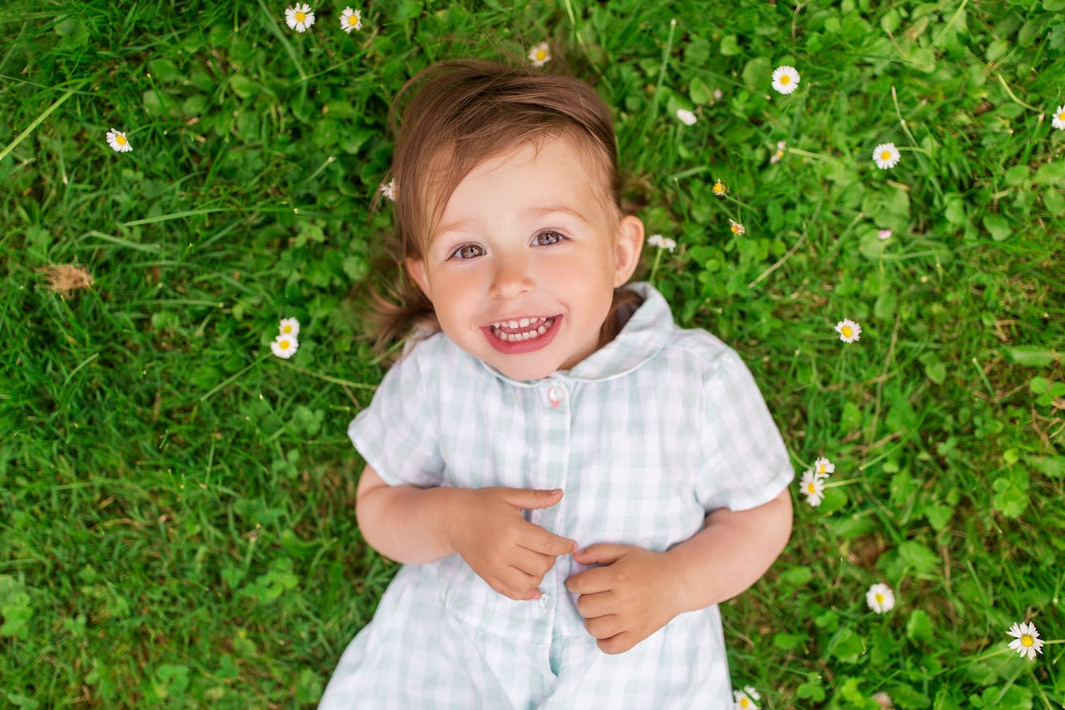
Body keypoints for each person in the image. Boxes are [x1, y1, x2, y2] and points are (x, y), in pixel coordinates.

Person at [320, 59, 794, 709]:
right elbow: (378, 504)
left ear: (620, 252)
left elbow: (761, 513)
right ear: (426, 280)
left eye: (548, 235)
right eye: (466, 250)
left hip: (636, 687)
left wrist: (675, 582)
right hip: (448, 674)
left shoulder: (695, 377)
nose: (510, 279)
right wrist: (454, 519)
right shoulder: (437, 372)